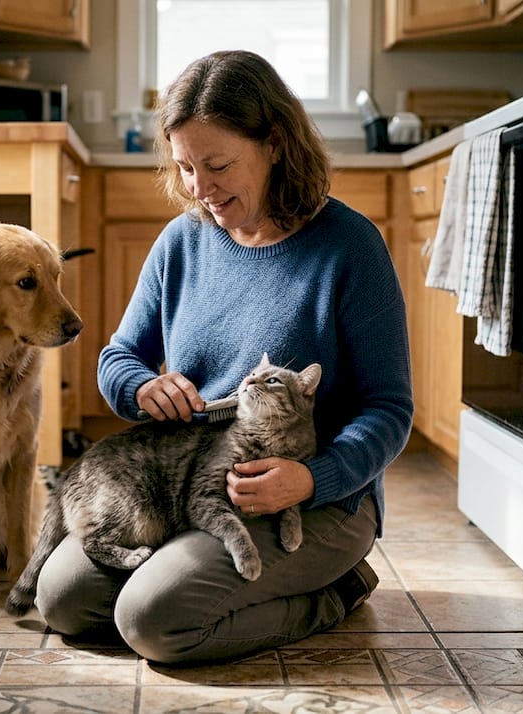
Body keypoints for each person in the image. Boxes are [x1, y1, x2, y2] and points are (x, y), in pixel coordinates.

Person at [34, 49, 413, 665]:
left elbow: (389, 408)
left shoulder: (350, 247)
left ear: (275, 145)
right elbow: (119, 356)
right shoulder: (181, 242)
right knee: (63, 598)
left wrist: (314, 480)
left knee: (151, 621)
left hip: (312, 498)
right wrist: (138, 388)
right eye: (184, 167)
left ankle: (338, 590)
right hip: (186, 487)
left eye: (217, 165)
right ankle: (184, 574)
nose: (199, 189)